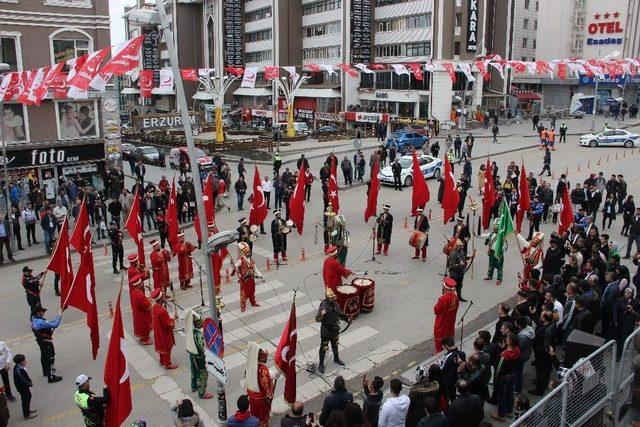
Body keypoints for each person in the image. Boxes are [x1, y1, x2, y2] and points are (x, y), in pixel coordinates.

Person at [315, 288, 350, 374]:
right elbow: (317, 319)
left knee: (335, 345)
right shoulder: (323, 306)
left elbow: (340, 314)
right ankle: (321, 364)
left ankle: (336, 358)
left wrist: (347, 319)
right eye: (331, 298)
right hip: (326, 331)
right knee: (324, 348)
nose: (333, 300)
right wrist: (322, 315)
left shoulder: (336, 305)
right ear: (327, 298)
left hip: (334, 330)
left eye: (333, 298)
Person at [244, 342, 278, 427]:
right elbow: (273, 377)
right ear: (263, 359)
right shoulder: (264, 370)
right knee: (262, 416)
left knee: (254, 413)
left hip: (252, 396)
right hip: (261, 399)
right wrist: (280, 369)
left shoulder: (250, 366)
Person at [490, 333, 520, 421]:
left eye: (507, 339)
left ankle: (501, 414)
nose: (506, 340)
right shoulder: (517, 350)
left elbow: (498, 369)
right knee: (510, 393)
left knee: (501, 396)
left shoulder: (504, 355)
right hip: (512, 375)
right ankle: (510, 411)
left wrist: (495, 377)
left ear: (510, 342)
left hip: (503, 378)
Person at [185, 310, 213, 400]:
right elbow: (202, 349)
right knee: (203, 373)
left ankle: (194, 386)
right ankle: (202, 392)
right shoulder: (199, 335)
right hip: (199, 357)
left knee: (193, 370)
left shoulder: (191, 331)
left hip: (192, 354)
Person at [30, 305, 62, 383]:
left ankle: (45, 372)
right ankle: (51, 377)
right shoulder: (41, 322)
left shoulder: (33, 319)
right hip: (46, 342)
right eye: (42, 311)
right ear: (38, 313)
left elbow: (49, 324)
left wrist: (54, 321)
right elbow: (55, 325)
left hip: (40, 341)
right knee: (50, 358)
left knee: (44, 356)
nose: (43, 312)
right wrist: (59, 317)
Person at [151, 289, 179, 369]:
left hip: (158, 330)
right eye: (163, 296)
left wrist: (171, 318)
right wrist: (174, 319)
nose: (165, 297)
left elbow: (164, 319)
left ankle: (162, 360)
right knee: (166, 346)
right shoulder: (162, 311)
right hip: (164, 332)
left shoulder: (155, 307)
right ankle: (168, 363)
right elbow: (168, 324)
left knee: (161, 345)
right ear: (160, 299)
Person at [433, 278, 459, 353]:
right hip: (451, 321)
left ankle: (439, 352)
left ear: (445, 288)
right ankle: (449, 349)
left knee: (439, 338)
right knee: (449, 335)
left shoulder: (443, 299)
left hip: (442, 322)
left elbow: (436, 310)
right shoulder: (456, 297)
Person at [476, 219, 506, 286]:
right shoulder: (491, 234)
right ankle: (490, 275)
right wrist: (476, 235)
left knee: (499, 266)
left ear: (498, 229)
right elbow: (483, 236)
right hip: (491, 252)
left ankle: (499, 279)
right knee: (491, 264)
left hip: (498, 253)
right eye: (494, 228)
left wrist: (501, 249)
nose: (494, 229)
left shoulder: (501, 236)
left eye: (495, 228)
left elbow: (505, 244)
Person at [234, 242, 262, 312]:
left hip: (251, 279)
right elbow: (235, 266)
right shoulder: (241, 260)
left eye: (249, 253)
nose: (248, 254)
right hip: (244, 279)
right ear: (244, 253)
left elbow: (255, 269)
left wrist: (259, 275)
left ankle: (253, 302)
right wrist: (234, 267)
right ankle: (243, 305)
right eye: (247, 253)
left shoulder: (252, 260)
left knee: (252, 291)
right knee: (244, 292)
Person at [130, 275, 152, 345]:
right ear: (139, 284)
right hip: (143, 314)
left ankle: (142, 338)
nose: (142, 283)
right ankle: (145, 339)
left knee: (140, 326)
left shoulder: (134, 292)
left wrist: (146, 299)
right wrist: (149, 301)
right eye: (141, 282)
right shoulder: (140, 294)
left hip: (137, 313)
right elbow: (146, 305)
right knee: (144, 326)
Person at [11, 354, 35, 419]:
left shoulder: (19, 367)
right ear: (20, 362)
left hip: (24, 386)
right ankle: (26, 414)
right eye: (24, 360)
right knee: (25, 399)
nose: (25, 361)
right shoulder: (19, 370)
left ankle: (27, 410)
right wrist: (29, 383)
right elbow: (23, 379)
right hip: (22, 387)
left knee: (28, 396)